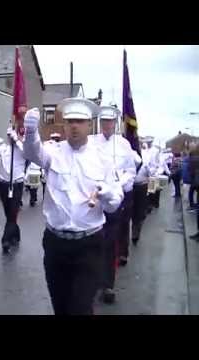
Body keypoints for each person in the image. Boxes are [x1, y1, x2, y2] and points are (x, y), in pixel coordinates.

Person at [23, 99, 123, 315]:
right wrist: (31, 132)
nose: (74, 126)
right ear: (64, 126)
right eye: (70, 122)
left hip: (88, 245)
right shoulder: (53, 151)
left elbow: (115, 203)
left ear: (89, 125)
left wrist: (105, 193)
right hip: (56, 243)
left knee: (79, 307)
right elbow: (32, 153)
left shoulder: (103, 159)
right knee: (61, 307)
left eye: (79, 121)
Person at [90, 105, 137, 304]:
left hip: (114, 198)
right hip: (94, 199)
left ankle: (107, 284)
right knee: (93, 243)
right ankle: (92, 280)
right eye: (103, 122)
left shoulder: (124, 144)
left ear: (115, 123)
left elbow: (131, 171)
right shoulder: (91, 142)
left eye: (110, 122)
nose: (106, 125)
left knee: (110, 243)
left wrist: (121, 183)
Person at [0, 126, 26, 253]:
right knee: (8, 213)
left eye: (11, 136)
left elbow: (27, 152)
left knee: (12, 213)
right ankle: (15, 234)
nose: (10, 138)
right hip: (4, 184)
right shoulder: (4, 149)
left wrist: (17, 140)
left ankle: (5, 240)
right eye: (9, 136)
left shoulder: (22, 149)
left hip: (17, 184)